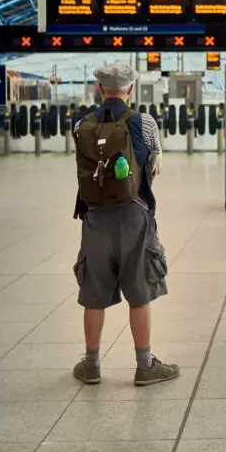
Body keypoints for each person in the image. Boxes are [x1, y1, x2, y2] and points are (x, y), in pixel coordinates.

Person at [71, 62, 178, 387]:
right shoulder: (144, 123)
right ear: (130, 89)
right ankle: (144, 366)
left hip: (94, 217)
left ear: (99, 90)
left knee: (93, 293)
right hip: (135, 216)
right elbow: (154, 165)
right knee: (139, 291)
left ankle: (91, 365)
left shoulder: (82, 124)